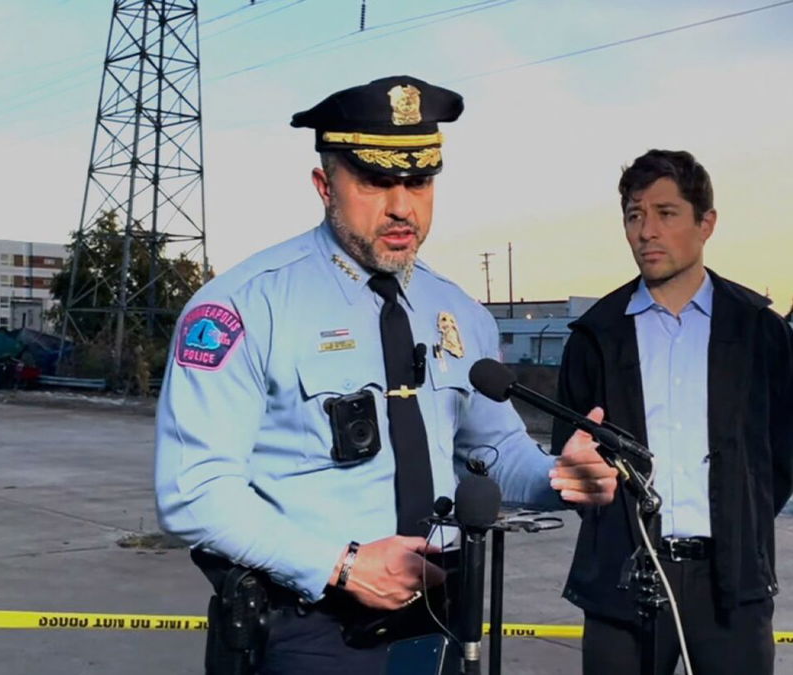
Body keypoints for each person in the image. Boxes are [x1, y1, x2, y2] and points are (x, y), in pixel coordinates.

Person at [154, 75, 617, 675]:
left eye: (419, 181)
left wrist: (560, 477)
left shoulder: (458, 313)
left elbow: (493, 447)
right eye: (376, 181)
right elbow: (194, 491)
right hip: (311, 627)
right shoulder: (245, 307)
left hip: (442, 614)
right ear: (325, 185)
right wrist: (340, 564)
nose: (403, 206)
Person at [551, 149, 793, 674]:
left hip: (730, 586)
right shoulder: (596, 338)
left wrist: (740, 519)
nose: (647, 231)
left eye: (665, 213)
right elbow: (573, 457)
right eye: (634, 215)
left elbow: (786, 452)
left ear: (706, 223)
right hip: (622, 587)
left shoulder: (761, 332)